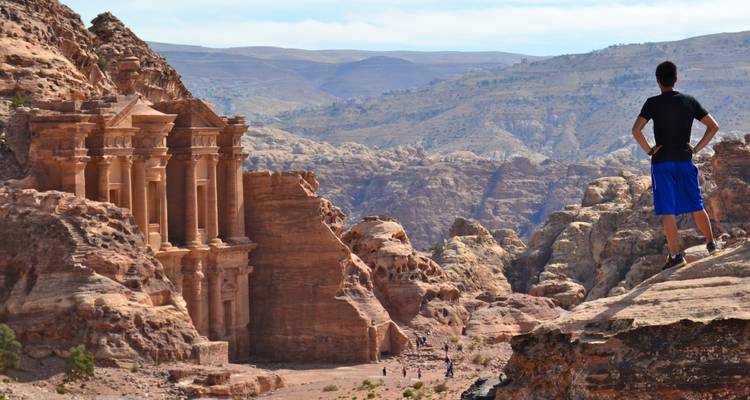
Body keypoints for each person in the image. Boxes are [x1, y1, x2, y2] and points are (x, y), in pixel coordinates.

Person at [631, 61, 720, 270]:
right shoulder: (689, 101)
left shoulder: (652, 103)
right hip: (684, 159)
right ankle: (711, 245)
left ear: (658, 81)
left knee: (667, 211)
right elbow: (713, 127)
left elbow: (636, 130)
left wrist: (650, 150)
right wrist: (696, 149)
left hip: (662, 163)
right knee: (696, 204)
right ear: (676, 79)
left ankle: (676, 256)